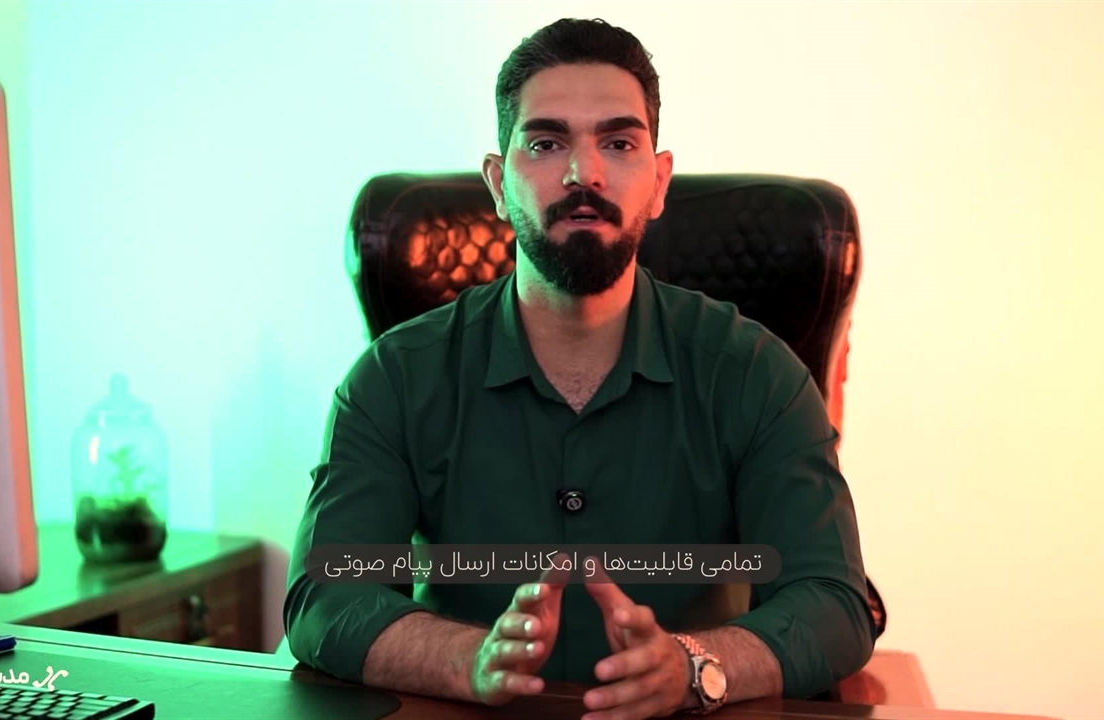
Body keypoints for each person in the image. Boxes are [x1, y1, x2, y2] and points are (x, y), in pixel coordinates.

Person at [284, 17, 875, 719]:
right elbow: (326, 594)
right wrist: (467, 660)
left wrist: (692, 665)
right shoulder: (394, 377)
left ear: (658, 183)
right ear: (498, 183)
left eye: (618, 143)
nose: (583, 173)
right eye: (546, 142)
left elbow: (833, 602)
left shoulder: (756, 374)